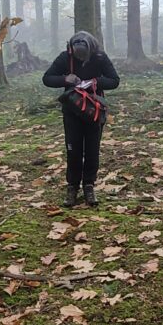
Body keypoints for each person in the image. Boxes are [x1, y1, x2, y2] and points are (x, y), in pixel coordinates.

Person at [42, 31, 120, 207]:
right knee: (73, 150)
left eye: (83, 55)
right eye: (77, 55)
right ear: (71, 49)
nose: (80, 58)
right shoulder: (65, 57)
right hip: (72, 111)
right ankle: (72, 186)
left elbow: (114, 80)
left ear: (91, 49)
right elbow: (47, 78)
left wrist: (95, 82)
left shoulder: (100, 57)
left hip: (94, 111)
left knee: (92, 150)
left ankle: (89, 186)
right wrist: (65, 79)